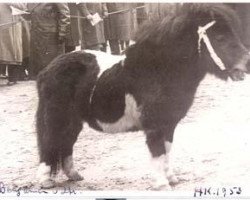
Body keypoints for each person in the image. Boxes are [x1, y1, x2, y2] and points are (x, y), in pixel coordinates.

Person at [28, 3, 70, 79]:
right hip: (36, 32)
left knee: (52, 61)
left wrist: (62, 32)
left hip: (51, 33)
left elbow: (65, 15)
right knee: (40, 60)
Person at [0, 3, 26, 85]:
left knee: (12, 52)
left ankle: (13, 78)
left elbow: (23, 6)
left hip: (11, 26)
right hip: (2, 24)